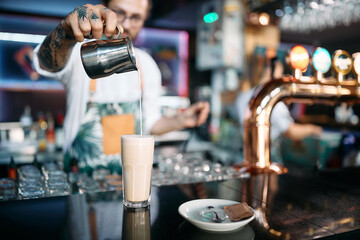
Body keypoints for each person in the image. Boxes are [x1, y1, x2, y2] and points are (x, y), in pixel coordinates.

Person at [33, 0, 209, 173]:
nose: (126, 24)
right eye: (119, 12)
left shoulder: (147, 64)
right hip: (81, 186)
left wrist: (182, 120)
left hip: (132, 180)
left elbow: (150, 124)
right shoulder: (78, 52)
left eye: (136, 17)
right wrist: (66, 33)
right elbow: (45, 63)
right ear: (105, 9)